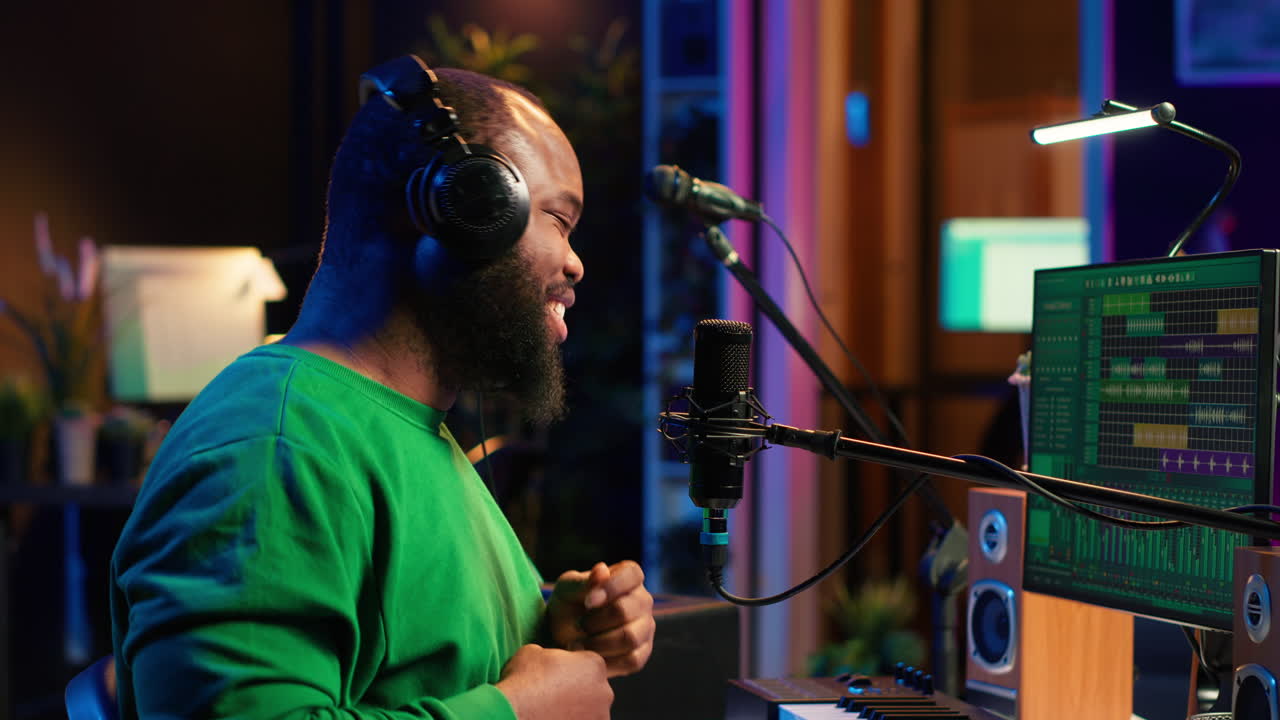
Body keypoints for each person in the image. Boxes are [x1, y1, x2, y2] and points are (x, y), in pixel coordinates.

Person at [109, 55, 654, 720]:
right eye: (559, 220)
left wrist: (548, 628)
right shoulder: (276, 447)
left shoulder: (400, 427)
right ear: (463, 204)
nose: (575, 262)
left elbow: (417, 662)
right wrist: (519, 713)